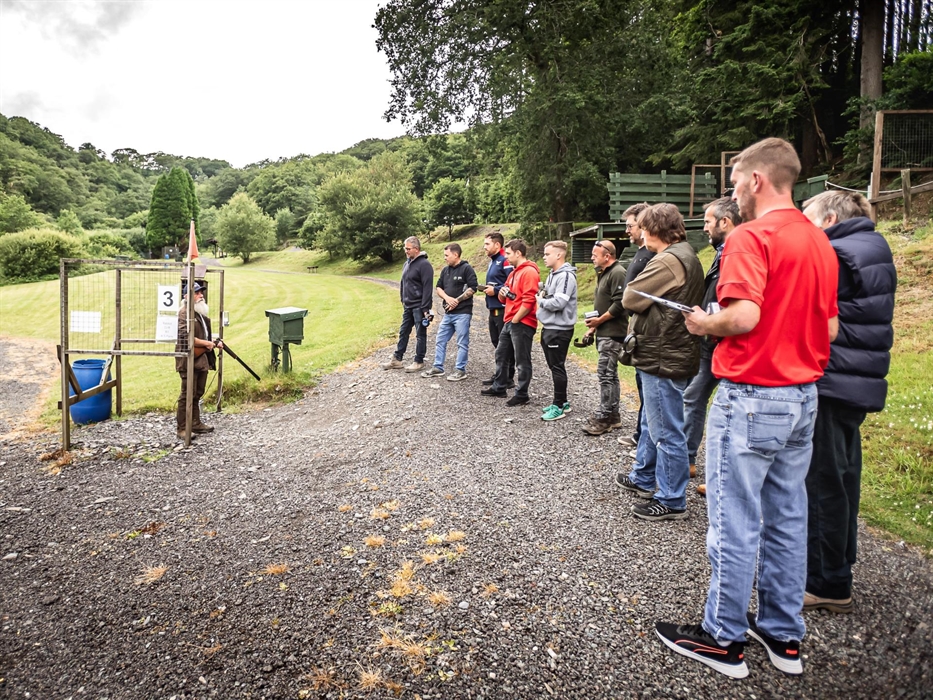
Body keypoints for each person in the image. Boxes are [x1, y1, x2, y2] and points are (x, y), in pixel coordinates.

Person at [656, 138, 839, 679]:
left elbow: (742, 318)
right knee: (787, 517)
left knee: (734, 520)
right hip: (803, 396)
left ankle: (723, 637)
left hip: (753, 394)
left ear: (757, 180)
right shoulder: (819, 240)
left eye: (736, 181)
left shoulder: (751, 237)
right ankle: (783, 636)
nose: (733, 193)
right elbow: (828, 326)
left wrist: (703, 321)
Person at [801, 190, 896, 614]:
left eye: (808, 218)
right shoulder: (870, 246)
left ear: (831, 218)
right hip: (855, 379)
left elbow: (817, 315)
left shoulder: (837, 253)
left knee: (823, 481)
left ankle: (827, 580)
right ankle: (838, 565)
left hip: (834, 376)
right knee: (842, 476)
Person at [614, 203, 704, 521]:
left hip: (663, 353)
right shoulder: (685, 253)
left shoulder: (668, 259)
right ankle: (645, 477)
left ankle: (671, 498)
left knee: (666, 429)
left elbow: (630, 297)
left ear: (652, 230)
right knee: (656, 423)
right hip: (668, 349)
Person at [685, 197, 742, 494]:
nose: (704, 227)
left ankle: (723, 478)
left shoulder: (740, 252)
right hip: (710, 339)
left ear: (725, 222)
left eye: (708, 221)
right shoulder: (721, 252)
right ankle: (687, 458)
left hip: (730, 343)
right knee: (693, 396)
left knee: (727, 410)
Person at [480, 238, 539, 406]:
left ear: (518, 253)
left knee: (522, 359)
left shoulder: (529, 272)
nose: (506, 257)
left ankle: (522, 394)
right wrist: (502, 293)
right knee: (501, 353)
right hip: (510, 320)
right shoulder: (513, 272)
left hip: (521, 322)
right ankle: (500, 386)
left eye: (508, 253)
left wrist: (516, 319)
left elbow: (529, 300)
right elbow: (503, 298)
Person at [580, 239, 628, 435]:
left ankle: (604, 418)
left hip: (613, 333)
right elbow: (603, 304)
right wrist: (593, 328)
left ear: (607, 256)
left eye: (595, 254)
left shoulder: (618, 273)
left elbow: (619, 304)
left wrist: (599, 322)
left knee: (606, 376)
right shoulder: (604, 273)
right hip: (604, 332)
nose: (592, 257)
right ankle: (613, 415)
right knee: (610, 375)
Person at [618, 203, 654, 449]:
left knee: (648, 390)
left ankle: (645, 439)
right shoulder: (641, 253)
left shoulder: (652, 255)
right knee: (642, 387)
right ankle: (640, 435)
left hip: (645, 327)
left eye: (630, 226)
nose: (627, 231)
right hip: (636, 325)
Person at [421, 243, 478, 382]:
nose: (444, 258)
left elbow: (473, 288)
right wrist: (447, 298)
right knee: (440, 339)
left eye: (447, 255)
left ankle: (460, 370)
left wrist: (457, 301)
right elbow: (439, 287)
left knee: (462, 342)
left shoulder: (467, 269)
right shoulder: (445, 270)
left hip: (462, 313)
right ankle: (438, 367)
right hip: (448, 314)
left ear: (456, 254)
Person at [536, 240, 578, 421]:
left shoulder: (566, 276)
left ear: (559, 255)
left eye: (547, 254)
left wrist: (541, 301)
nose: (544, 257)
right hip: (549, 327)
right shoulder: (553, 274)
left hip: (559, 329)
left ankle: (559, 405)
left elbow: (559, 302)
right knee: (554, 366)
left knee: (557, 367)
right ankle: (563, 400)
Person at [175, 281, 222, 439]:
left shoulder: (199, 313)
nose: (201, 295)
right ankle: (182, 428)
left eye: (201, 292)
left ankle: (195, 423)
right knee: (187, 393)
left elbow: (203, 335)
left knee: (197, 392)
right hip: (188, 358)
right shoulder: (184, 313)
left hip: (201, 358)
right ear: (187, 296)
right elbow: (186, 337)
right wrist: (207, 343)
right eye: (197, 293)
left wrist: (213, 341)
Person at [381, 237, 434, 373]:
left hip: (419, 306)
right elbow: (403, 283)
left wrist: (425, 308)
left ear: (416, 249)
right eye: (405, 248)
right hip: (408, 305)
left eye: (408, 249)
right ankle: (397, 359)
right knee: (403, 331)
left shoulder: (425, 265)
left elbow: (428, 288)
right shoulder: (407, 264)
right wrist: (402, 300)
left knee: (420, 334)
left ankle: (419, 361)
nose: (406, 251)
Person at [481, 232, 514, 387]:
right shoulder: (492, 261)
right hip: (492, 309)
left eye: (487, 244)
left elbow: (512, 283)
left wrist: (496, 291)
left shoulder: (505, 261)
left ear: (497, 245)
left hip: (503, 310)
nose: (484, 247)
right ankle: (501, 374)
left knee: (504, 345)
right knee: (496, 342)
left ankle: (508, 377)